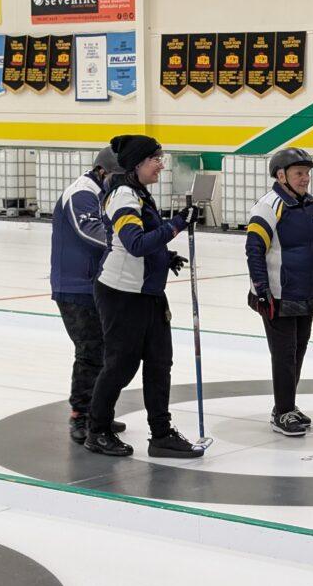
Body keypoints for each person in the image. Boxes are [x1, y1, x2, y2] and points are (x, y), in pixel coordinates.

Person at [85, 134, 202, 459]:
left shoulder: (138, 193)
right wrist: (177, 224)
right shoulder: (123, 195)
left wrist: (164, 256)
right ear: (137, 163)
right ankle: (98, 430)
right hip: (122, 293)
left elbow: (146, 242)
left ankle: (161, 434)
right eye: (155, 159)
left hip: (147, 292)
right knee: (120, 366)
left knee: (159, 363)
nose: (161, 165)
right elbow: (135, 243)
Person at [246, 147, 313, 437]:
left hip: (306, 292)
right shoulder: (268, 206)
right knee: (284, 355)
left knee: (298, 352)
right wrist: (262, 291)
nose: (305, 179)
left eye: (307, 173)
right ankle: (283, 411)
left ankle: (286, 406)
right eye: (299, 173)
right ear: (281, 175)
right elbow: (254, 250)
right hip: (277, 295)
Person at [50, 146, 127, 444]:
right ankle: (80, 415)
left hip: (98, 283)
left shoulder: (106, 192)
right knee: (90, 350)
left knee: (107, 350)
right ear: (103, 172)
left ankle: (98, 412)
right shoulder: (82, 192)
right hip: (75, 287)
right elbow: (88, 230)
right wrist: (128, 240)